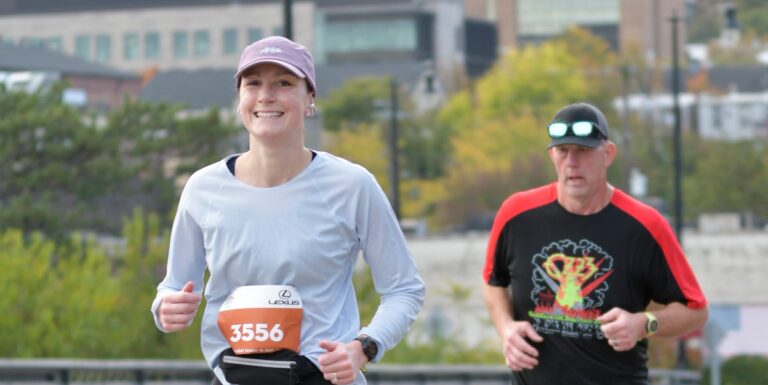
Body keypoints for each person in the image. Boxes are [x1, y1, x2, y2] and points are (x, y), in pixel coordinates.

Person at [150, 36, 425, 385]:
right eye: (253, 84)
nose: (266, 95)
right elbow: (173, 287)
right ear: (239, 100)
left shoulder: (352, 185)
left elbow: (404, 289)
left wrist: (364, 347)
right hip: (235, 377)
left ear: (309, 99)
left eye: (283, 83)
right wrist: (166, 308)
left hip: (324, 377)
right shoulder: (203, 188)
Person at [481, 102, 708, 385]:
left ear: (608, 154)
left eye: (583, 150)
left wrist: (642, 324)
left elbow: (695, 311)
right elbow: (493, 280)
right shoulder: (517, 214)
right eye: (563, 151)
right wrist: (505, 328)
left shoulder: (644, 225)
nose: (571, 162)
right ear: (552, 155)